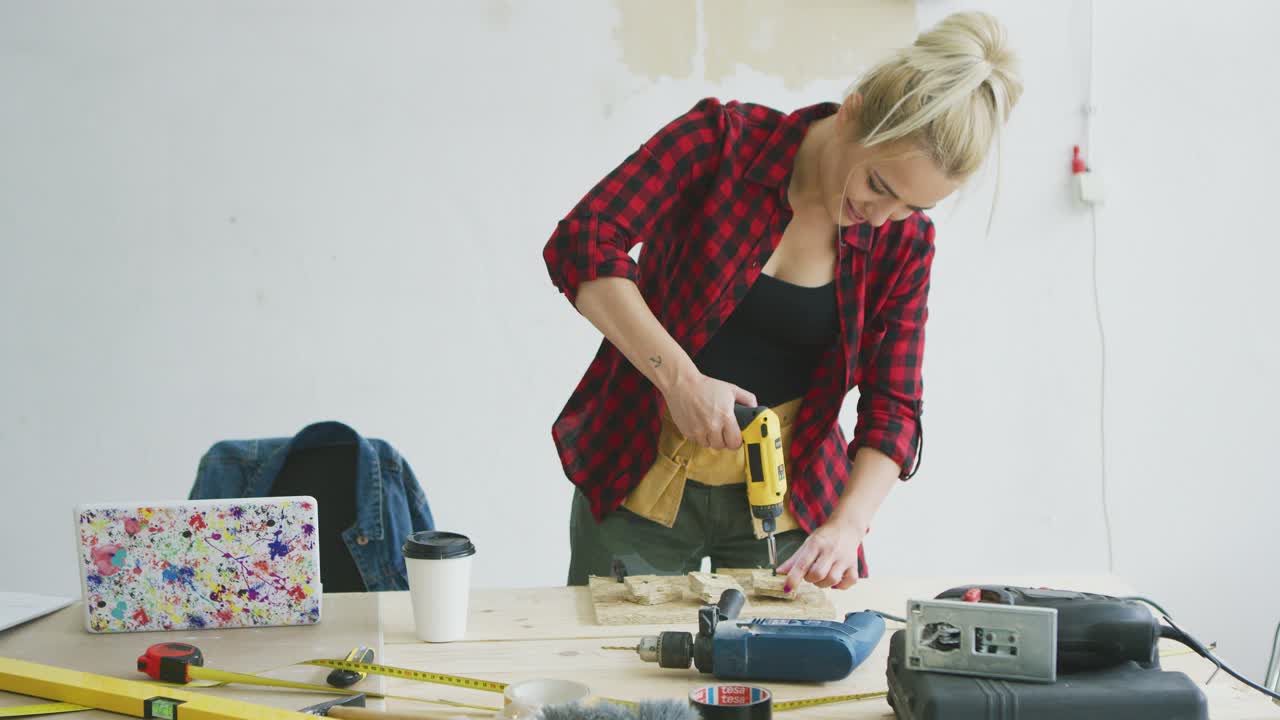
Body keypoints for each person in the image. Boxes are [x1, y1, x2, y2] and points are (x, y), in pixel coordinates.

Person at [543, 12, 1021, 593]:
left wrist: (847, 527)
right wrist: (681, 382)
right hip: (640, 477)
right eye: (879, 185)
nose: (881, 217)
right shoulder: (720, 145)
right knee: (616, 667)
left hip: (790, 507)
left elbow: (893, 405)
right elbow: (585, 239)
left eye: (911, 208)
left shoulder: (904, 242)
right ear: (852, 112)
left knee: (797, 678)